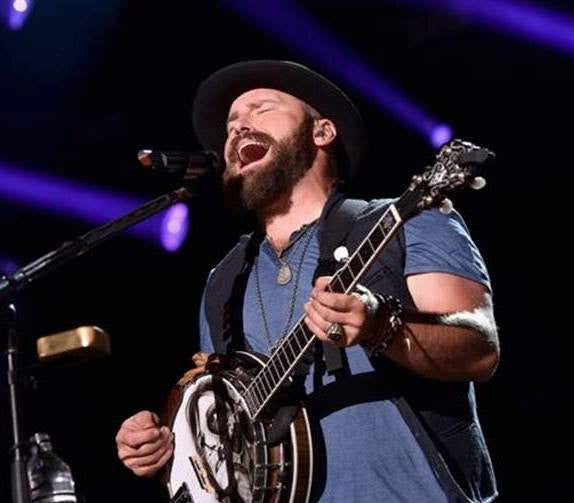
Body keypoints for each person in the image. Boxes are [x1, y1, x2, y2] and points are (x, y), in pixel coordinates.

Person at [115, 60, 499, 502]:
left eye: (261, 110)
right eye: (231, 124)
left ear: (322, 133)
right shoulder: (225, 280)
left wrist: (380, 327)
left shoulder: (405, 222)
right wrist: (168, 444)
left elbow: (478, 351)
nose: (238, 128)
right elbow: (223, 422)